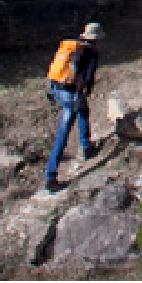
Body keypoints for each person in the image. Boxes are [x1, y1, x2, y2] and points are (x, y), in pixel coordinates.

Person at [42, 21, 102, 191]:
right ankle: (50, 177)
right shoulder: (91, 52)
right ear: (96, 38)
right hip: (70, 94)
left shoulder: (73, 45)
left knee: (83, 109)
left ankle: (87, 145)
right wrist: (87, 88)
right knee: (64, 132)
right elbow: (88, 78)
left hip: (56, 89)